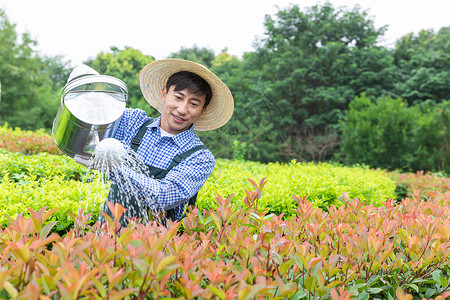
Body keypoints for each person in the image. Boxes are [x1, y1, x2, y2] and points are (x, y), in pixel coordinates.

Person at [75, 59, 234, 227]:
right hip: (105, 238)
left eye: (193, 104)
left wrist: (113, 168)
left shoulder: (200, 157)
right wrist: (89, 93)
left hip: (152, 248)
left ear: (204, 109)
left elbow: (164, 197)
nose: (182, 109)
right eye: (178, 97)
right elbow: (93, 123)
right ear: (165, 93)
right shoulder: (133, 123)